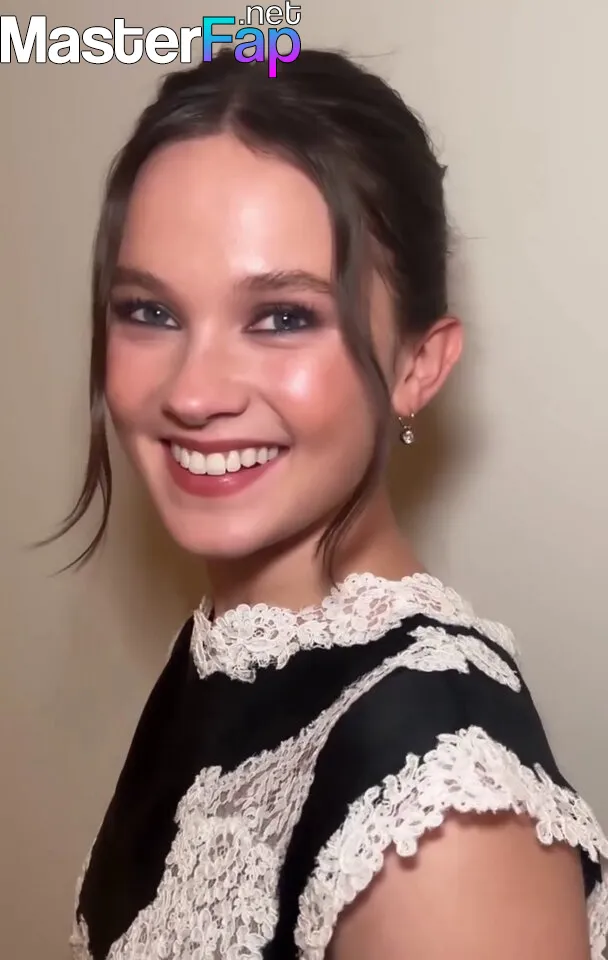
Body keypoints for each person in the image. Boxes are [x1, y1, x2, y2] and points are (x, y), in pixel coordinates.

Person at [59, 47, 608, 960]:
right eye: (150, 312)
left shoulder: (442, 820)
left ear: (419, 365)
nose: (193, 393)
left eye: (283, 317)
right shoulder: (231, 653)